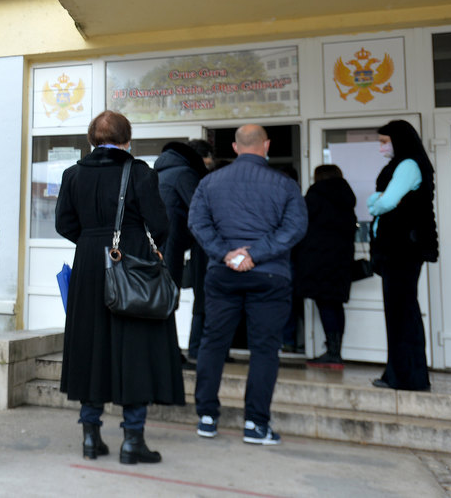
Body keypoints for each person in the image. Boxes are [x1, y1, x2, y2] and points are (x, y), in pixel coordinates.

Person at [56, 110, 182, 465]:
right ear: (128, 140)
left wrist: (91, 240)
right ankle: (132, 441)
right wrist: (147, 243)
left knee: (90, 347)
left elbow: (64, 223)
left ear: (91, 140)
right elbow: (161, 224)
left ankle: (91, 437)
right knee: (135, 349)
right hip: (132, 266)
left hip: (88, 269)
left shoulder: (73, 174)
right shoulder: (140, 171)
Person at [188, 124, 307, 446]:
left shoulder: (209, 182)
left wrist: (227, 254)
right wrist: (256, 254)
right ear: (266, 145)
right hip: (270, 276)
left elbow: (197, 223)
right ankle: (256, 425)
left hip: (223, 273)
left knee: (213, 343)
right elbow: (296, 227)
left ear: (235, 147)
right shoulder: (285, 185)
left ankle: (207, 417)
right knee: (265, 349)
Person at [368, 120, 438, 391]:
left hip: (401, 249)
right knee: (400, 312)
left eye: (384, 141)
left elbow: (384, 201)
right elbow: (376, 200)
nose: (382, 148)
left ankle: (408, 377)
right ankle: (399, 373)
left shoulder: (408, 165)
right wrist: (379, 200)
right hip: (397, 249)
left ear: (398, 140)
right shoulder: (402, 164)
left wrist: (379, 201)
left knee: (402, 313)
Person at [153, 139, 214, 366]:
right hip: (172, 245)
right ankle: (169, 354)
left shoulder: (158, 172)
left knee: (159, 299)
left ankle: (163, 352)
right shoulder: (184, 174)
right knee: (169, 299)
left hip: (156, 245)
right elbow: (199, 210)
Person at [295, 165, 357, 369]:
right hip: (341, 259)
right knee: (336, 304)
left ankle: (332, 353)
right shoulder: (346, 199)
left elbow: (300, 222)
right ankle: (335, 350)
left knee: (326, 304)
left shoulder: (315, 196)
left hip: (319, 259)